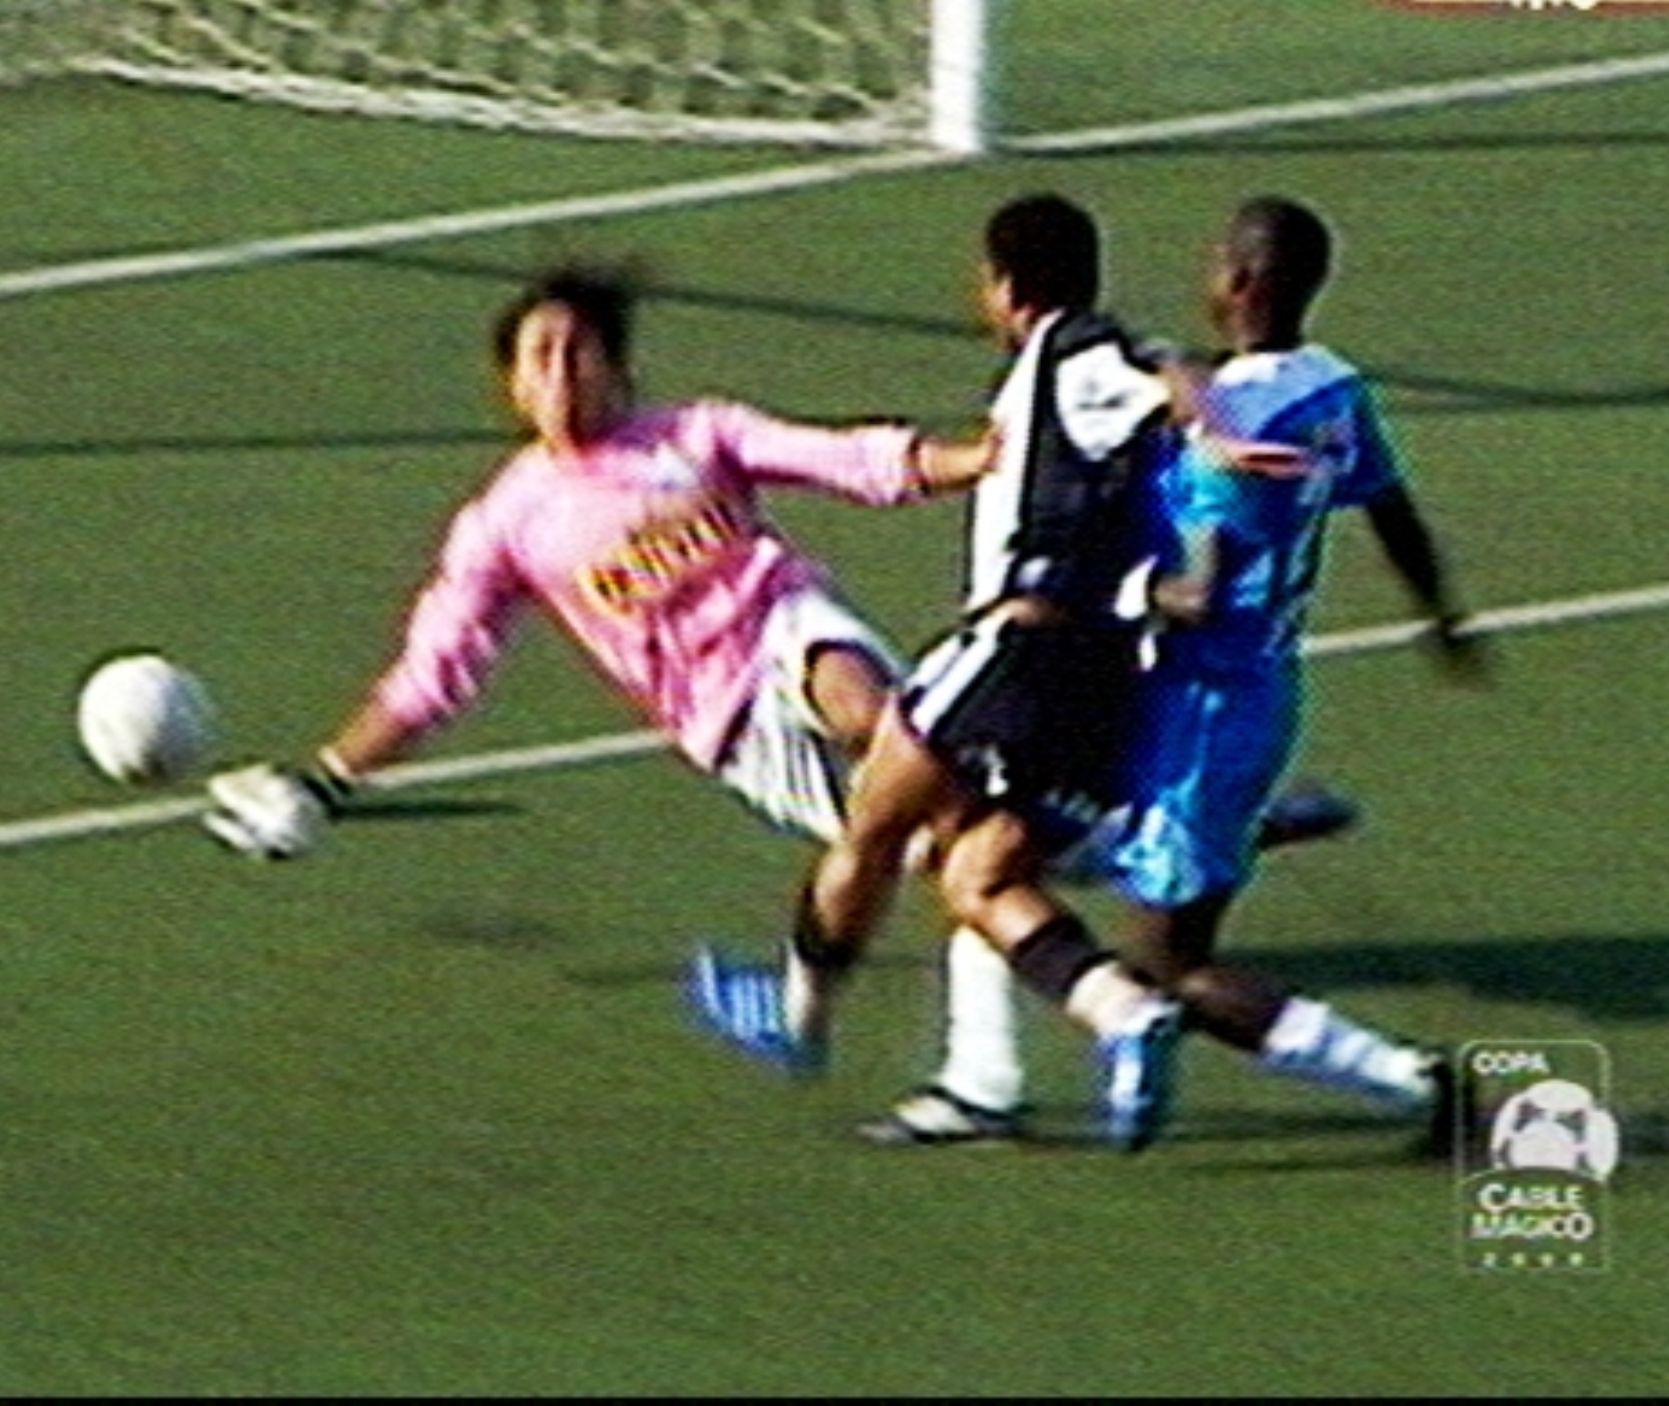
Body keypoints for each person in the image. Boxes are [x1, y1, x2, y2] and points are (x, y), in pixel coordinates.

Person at [859, 194, 1491, 1148]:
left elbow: (1192, 589)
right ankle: (988, 1069)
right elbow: (1394, 512)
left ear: (1237, 281)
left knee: (1168, 966)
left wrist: (1112, 591)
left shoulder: (1222, 429)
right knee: (990, 851)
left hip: (1190, 712)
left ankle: (1414, 1085)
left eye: (1212, 262)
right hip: (1259, 696)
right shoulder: (1333, 391)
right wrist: (1441, 616)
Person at [692, 193, 1215, 1151]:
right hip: (1105, 670)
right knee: (977, 871)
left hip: (1019, 651)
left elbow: (1154, 374)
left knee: (874, 824)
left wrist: (1199, 405)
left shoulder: (1070, 354)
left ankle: (797, 1021)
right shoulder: (1072, 389)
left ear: (1005, 288)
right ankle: (1121, 1015)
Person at [201, 262, 997, 863]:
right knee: (944, 849)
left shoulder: (694, 436)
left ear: (618, 369)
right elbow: (434, 674)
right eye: (538, 357)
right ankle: (1018, 1031)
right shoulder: (505, 523)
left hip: (786, 625)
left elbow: (844, 459)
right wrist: (325, 779)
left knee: (873, 715)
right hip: (727, 718)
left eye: (577, 351)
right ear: (512, 385)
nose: (559, 373)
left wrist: (973, 460)